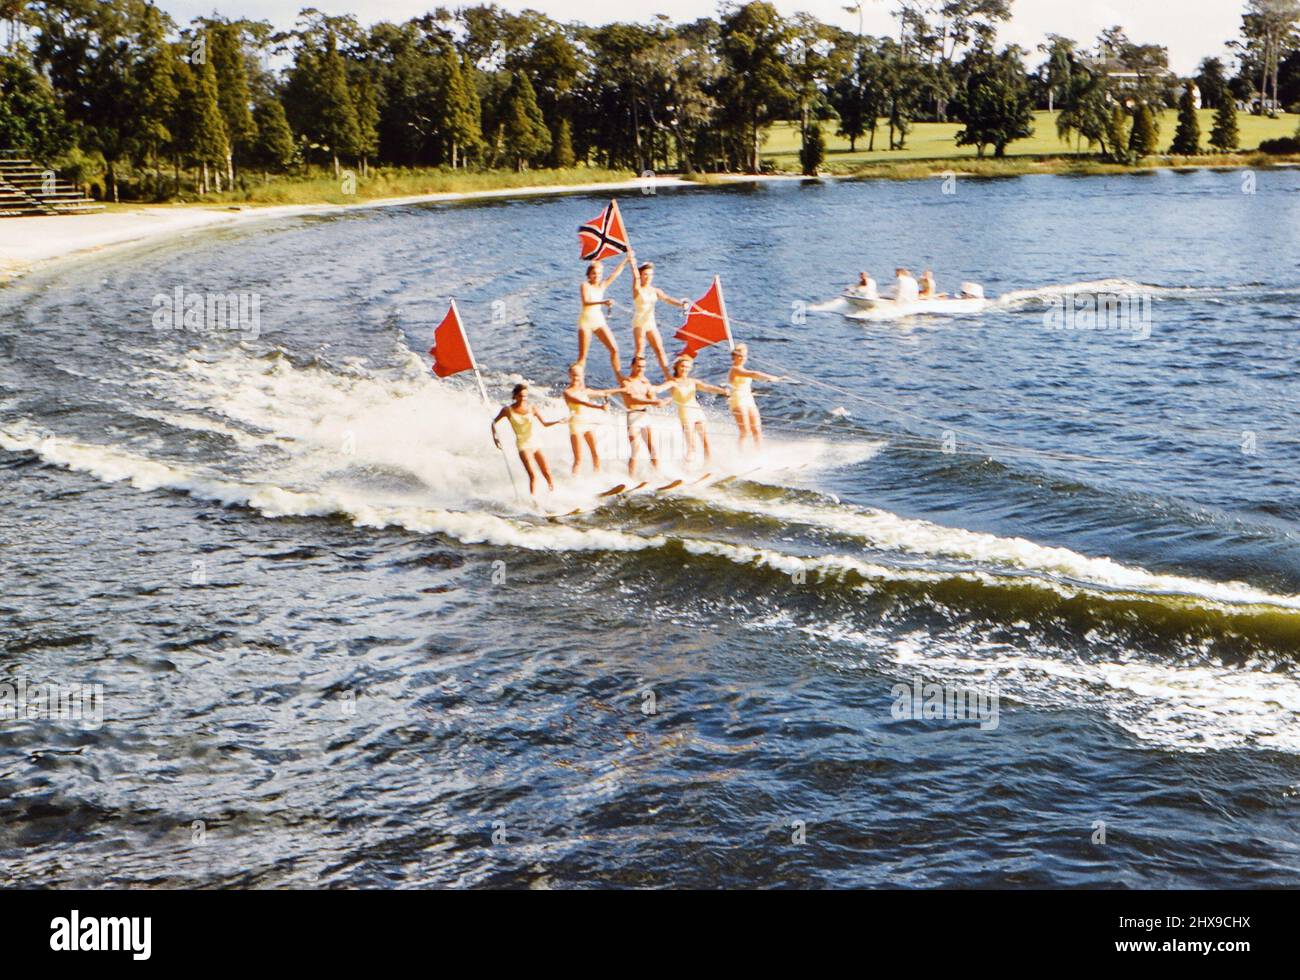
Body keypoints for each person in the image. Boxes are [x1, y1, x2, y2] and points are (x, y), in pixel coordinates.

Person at [628, 248, 690, 379]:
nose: (648, 277)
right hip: (639, 323)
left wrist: (681, 304)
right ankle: (636, 376)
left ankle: (668, 376)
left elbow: (667, 299)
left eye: (650, 275)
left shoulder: (655, 290)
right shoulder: (637, 290)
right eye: (645, 274)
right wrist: (632, 262)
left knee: (659, 349)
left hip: (651, 323)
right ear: (641, 275)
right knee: (640, 350)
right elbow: (635, 276)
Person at [492, 383, 562, 496]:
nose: (523, 399)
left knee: (547, 473)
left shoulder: (532, 408)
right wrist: (496, 438)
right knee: (533, 475)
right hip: (523, 445)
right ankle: (534, 500)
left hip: (535, 442)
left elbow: (544, 423)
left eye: (525, 396)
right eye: (520, 396)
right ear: (515, 396)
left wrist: (559, 421)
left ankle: (552, 494)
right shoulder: (507, 410)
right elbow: (494, 423)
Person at [656, 356, 728, 464]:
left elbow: (707, 387)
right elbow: (659, 389)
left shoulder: (692, 381)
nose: (684, 369)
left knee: (706, 443)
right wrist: (650, 390)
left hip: (697, 413)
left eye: (687, 367)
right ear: (677, 367)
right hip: (685, 415)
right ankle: (686, 468)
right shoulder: (672, 382)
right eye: (682, 366)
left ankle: (709, 466)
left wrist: (723, 391)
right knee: (692, 446)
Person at [614, 355, 668, 476]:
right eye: (638, 366)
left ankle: (657, 474)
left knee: (653, 448)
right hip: (633, 416)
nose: (641, 369)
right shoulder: (626, 382)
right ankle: (631, 477)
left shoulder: (645, 382)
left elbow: (652, 398)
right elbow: (632, 400)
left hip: (644, 415)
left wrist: (661, 402)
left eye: (643, 367)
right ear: (632, 366)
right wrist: (653, 402)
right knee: (635, 449)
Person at [577, 256, 630, 379]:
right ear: (589, 275)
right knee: (582, 357)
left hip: (599, 321)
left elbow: (615, 273)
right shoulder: (584, 285)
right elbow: (585, 302)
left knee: (614, 349)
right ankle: (578, 382)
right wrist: (603, 302)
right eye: (594, 274)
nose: (597, 276)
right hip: (586, 322)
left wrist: (626, 260)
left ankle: (619, 377)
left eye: (599, 274)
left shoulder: (602, 285)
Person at [727, 343, 787, 449]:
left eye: (744, 356)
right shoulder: (734, 369)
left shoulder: (743, 369)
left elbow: (746, 382)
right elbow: (753, 374)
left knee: (757, 430)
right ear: (734, 356)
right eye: (739, 355)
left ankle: (759, 452)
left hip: (748, 399)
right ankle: (740, 453)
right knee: (745, 431)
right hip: (737, 401)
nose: (742, 358)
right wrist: (771, 377)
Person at [563, 362, 616, 476]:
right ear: (569, 375)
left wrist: (623, 390)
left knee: (596, 453)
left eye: (579, 375)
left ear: (583, 375)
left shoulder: (585, 390)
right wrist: (600, 407)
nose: (576, 378)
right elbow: (582, 402)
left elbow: (603, 392)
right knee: (578, 459)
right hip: (576, 425)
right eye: (574, 375)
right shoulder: (567, 392)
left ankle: (596, 477)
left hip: (587, 423)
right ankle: (573, 481)